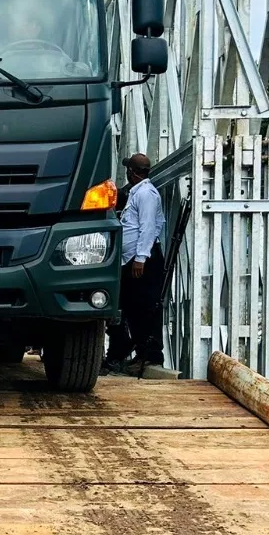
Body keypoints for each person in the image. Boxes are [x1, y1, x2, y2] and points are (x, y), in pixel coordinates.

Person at [107, 152, 165, 373]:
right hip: (133, 259)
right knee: (131, 307)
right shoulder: (136, 193)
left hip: (143, 260)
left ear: (131, 172)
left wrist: (141, 258)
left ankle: (150, 355)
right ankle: (138, 352)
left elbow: (149, 227)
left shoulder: (146, 194)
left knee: (146, 307)